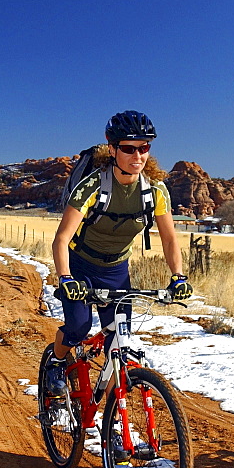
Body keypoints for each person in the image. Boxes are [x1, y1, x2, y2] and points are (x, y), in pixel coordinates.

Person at [45, 110, 192, 394]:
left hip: (116, 271)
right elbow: (61, 239)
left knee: (119, 344)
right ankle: (57, 359)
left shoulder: (155, 191)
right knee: (78, 325)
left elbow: (170, 239)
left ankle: (113, 416)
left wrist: (178, 276)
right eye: (128, 148)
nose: (137, 156)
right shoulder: (93, 186)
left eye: (144, 147)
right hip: (80, 265)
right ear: (112, 148)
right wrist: (65, 278)